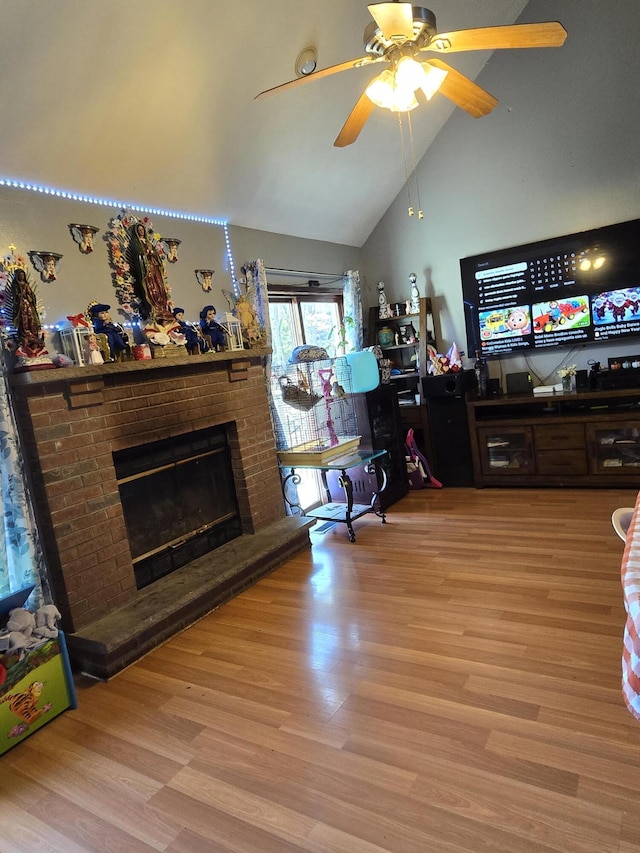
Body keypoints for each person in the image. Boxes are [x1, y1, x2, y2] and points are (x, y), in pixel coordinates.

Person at [127, 221, 172, 321]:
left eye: (142, 230)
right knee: (150, 288)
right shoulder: (136, 244)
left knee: (159, 286)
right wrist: (145, 254)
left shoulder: (148, 242)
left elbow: (156, 255)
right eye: (139, 230)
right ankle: (153, 306)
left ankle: (161, 306)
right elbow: (138, 257)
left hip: (154, 267)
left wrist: (152, 253)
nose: (141, 232)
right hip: (145, 270)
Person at [10, 267, 46, 356]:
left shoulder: (26, 284)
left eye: (23, 275)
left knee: (32, 319)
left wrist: (30, 295)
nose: (22, 277)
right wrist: (20, 295)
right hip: (21, 306)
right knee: (24, 320)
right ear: (17, 277)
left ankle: (33, 334)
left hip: (28, 304)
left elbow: (31, 295)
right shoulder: (15, 285)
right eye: (20, 275)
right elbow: (15, 297)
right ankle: (26, 334)